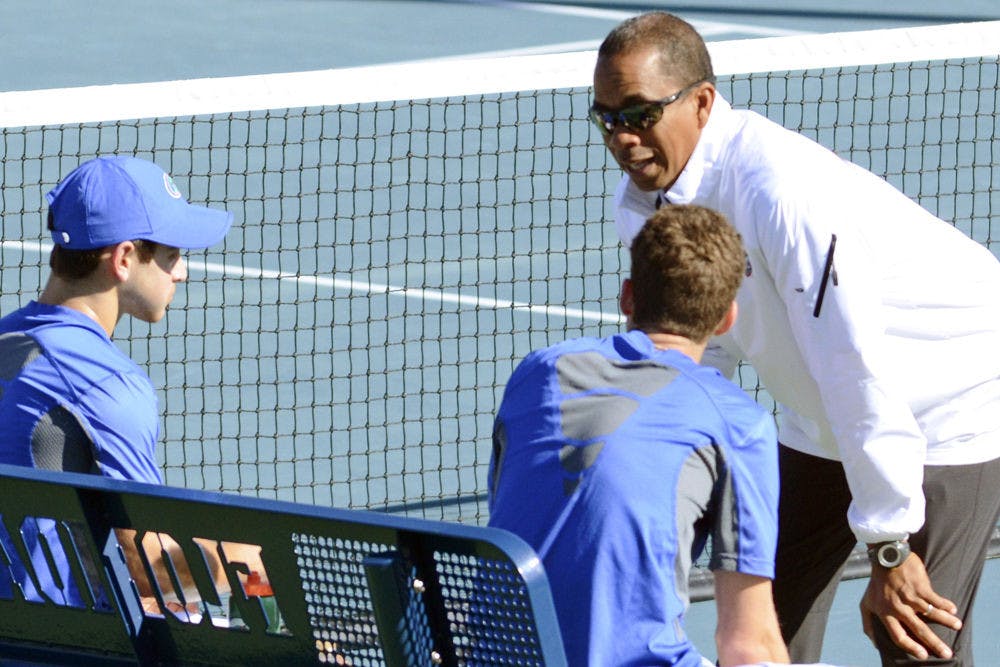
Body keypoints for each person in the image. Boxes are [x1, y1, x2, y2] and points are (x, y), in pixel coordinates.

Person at [591, 11, 1000, 665]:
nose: (622, 138)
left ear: (701, 102)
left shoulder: (779, 193)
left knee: (914, 639)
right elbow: (699, 350)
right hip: (821, 417)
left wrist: (888, 544)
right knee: (758, 629)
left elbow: (853, 362)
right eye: (607, 118)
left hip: (952, 397)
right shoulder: (643, 203)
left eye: (638, 114)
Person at [488, 205, 790, 666]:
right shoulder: (737, 422)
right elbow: (747, 647)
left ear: (628, 297)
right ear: (728, 319)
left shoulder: (537, 372)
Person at [0, 155, 233, 610]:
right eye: (172, 255)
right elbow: (150, 569)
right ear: (124, 258)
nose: (181, 271)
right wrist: (256, 564)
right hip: (64, 647)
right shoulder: (107, 385)